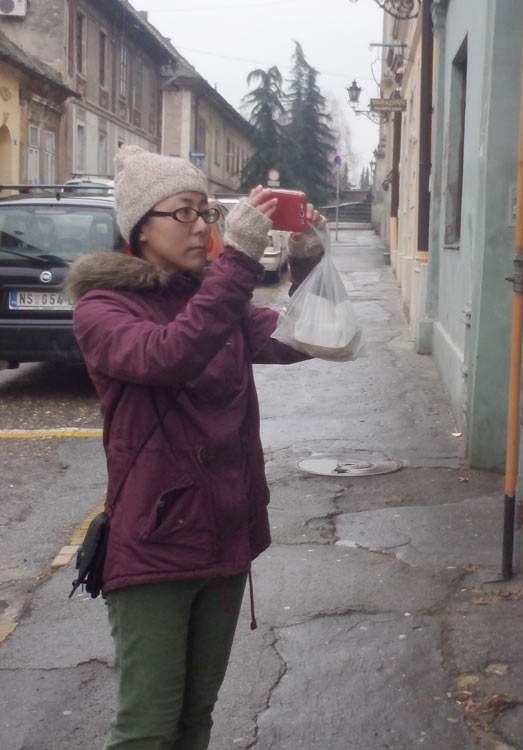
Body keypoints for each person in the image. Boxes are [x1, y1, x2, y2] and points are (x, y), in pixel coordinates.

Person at [63, 145, 326, 749]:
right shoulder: (102, 308)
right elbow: (168, 355)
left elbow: (302, 340)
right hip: (156, 544)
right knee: (146, 729)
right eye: (184, 212)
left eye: (206, 212)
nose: (202, 225)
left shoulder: (216, 299)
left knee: (195, 718)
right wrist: (235, 260)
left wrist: (307, 259)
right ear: (139, 228)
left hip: (226, 535)